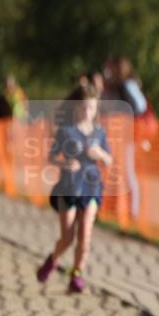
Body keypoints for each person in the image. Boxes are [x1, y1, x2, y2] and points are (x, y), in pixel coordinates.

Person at [35, 84, 113, 293]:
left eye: (92, 108)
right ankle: (52, 261)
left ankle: (77, 274)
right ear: (76, 108)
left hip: (91, 188)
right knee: (68, 238)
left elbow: (109, 159)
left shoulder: (99, 132)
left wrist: (100, 155)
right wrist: (64, 164)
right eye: (84, 108)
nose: (87, 112)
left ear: (96, 109)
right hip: (68, 187)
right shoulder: (66, 131)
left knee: (85, 235)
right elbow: (50, 157)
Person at [101, 56, 153, 219]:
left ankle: (133, 211)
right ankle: (111, 207)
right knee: (114, 170)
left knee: (128, 171)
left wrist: (124, 114)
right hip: (116, 133)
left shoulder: (128, 84)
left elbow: (140, 106)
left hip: (128, 133)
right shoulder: (114, 85)